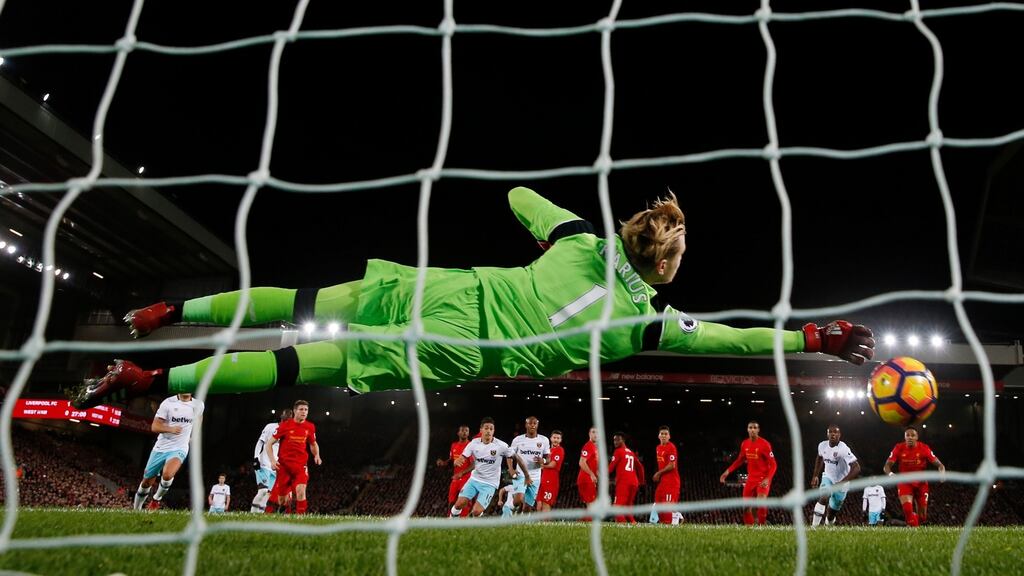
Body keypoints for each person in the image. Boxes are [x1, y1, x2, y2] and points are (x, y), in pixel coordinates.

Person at [70, 187, 875, 409]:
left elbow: (519, 194)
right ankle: (155, 384)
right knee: (300, 367)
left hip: (455, 289)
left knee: (308, 294)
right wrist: (815, 339)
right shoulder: (648, 327)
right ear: (664, 269)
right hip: (463, 348)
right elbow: (737, 341)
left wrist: (557, 231)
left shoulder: (578, 240)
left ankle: (177, 314)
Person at [133, 393, 204, 510]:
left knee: (168, 474)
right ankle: (136, 509)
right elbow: (155, 427)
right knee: (146, 482)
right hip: (161, 447)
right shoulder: (168, 403)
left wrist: (195, 434)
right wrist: (170, 429)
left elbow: (199, 416)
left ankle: (156, 499)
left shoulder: (198, 405)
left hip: (180, 447)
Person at [450, 417, 530, 518]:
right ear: (481, 430)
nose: (488, 431)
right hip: (474, 480)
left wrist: (525, 474)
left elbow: (517, 457)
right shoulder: (474, 443)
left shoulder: (501, 445)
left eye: (491, 429)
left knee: (476, 511)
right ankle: (452, 520)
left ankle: (477, 517)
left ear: (494, 431)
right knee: (459, 504)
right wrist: (458, 460)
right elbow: (463, 456)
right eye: (486, 428)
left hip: (490, 484)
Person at [265, 399, 322, 515]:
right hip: (284, 467)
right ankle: (282, 509)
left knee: (301, 490)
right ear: (294, 411)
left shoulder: (310, 427)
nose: (304, 412)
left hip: (300, 465)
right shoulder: (285, 426)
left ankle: (301, 518)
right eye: (301, 409)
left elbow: (313, 443)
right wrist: (272, 460)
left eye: (306, 410)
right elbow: (269, 444)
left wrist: (317, 455)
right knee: (282, 500)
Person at [883, 426, 946, 527]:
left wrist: (942, 473)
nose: (910, 437)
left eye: (913, 435)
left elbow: (940, 465)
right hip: (905, 482)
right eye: (907, 435)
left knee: (922, 517)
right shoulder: (899, 448)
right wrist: (891, 474)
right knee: (908, 510)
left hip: (921, 483)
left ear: (917, 437)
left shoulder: (924, 448)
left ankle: (912, 525)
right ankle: (913, 529)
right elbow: (886, 466)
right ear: (904, 437)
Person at [719, 420, 777, 526]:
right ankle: (749, 529)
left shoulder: (765, 445)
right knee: (746, 508)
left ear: (758, 430)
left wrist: (768, 478)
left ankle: (762, 526)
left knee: (761, 502)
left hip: (762, 478)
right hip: (751, 479)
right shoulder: (745, 444)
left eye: (755, 428)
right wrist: (727, 471)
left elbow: (774, 464)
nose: (752, 430)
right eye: (750, 428)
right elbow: (740, 460)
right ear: (747, 429)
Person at [810, 424, 861, 527]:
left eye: (835, 432)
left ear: (839, 435)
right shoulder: (822, 445)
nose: (833, 434)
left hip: (842, 482)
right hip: (828, 477)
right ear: (827, 434)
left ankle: (828, 525)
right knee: (824, 496)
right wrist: (815, 475)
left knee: (832, 512)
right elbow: (820, 458)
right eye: (830, 432)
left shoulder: (843, 449)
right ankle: (813, 527)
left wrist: (842, 482)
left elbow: (857, 468)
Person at [502, 416, 551, 518]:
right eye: (530, 423)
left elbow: (548, 458)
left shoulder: (544, 440)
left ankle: (521, 524)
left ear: (537, 425)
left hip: (536, 477)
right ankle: (511, 508)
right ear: (526, 425)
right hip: (521, 475)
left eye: (534, 423)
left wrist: (544, 460)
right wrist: (511, 469)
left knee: (527, 507)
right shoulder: (518, 440)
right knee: (519, 499)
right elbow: (509, 455)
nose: (532, 425)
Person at [251, 408, 293, 513]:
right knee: (262, 491)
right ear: (282, 418)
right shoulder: (270, 427)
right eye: (285, 419)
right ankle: (252, 513)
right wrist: (256, 458)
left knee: (268, 493)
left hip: (275, 467)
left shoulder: (288, 433)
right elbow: (260, 442)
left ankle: (259, 515)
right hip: (263, 463)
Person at [436, 424, 473, 517]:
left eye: (466, 431)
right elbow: (452, 458)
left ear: (468, 433)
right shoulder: (454, 445)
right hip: (455, 478)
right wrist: (444, 463)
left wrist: (462, 473)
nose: (464, 432)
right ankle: (450, 518)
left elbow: (474, 464)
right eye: (463, 430)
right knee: (451, 500)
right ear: (458, 433)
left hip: (467, 479)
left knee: (464, 500)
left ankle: (464, 521)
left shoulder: (471, 445)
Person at [609, 432, 644, 523]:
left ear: (623, 440)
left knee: (616, 508)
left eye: (618, 439)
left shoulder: (618, 451)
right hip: (634, 483)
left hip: (624, 482)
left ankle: (624, 527)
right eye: (614, 440)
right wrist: (641, 481)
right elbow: (640, 467)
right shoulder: (631, 452)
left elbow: (610, 468)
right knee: (627, 508)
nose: (615, 442)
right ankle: (633, 524)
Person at [651, 425, 681, 524]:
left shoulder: (671, 447)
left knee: (667, 504)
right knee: (657, 500)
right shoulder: (658, 448)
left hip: (672, 481)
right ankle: (665, 522)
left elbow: (672, 465)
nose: (663, 436)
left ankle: (671, 520)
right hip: (663, 481)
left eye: (666, 434)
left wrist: (658, 473)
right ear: (658, 436)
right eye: (662, 434)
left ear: (669, 436)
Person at [538, 429, 564, 513]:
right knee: (539, 505)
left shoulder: (559, 450)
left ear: (561, 440)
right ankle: (538, 524)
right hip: (543, 479)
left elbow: (553, 464)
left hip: (551, 480)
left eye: (558, 438)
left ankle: (546, 525)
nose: (556, 439)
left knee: (546, 503)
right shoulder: (548, 450)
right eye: (554, 437)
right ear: (550, 438)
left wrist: (542, 466)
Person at [577, 426, 600, 509]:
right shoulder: (588, 446)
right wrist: (592, 474)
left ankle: (587, 520)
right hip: (586, 478)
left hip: (589, 478)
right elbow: (581, 462)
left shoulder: (595, 448)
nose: (595, 434)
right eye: (593, 432)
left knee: (591, 504)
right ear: (589, 434)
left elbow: (593, 466)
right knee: (592, 504)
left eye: (597, 432)